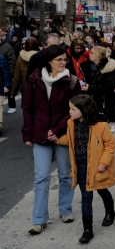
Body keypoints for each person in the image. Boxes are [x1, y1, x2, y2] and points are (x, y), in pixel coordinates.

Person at [22, 45, 82, 234]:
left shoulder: (71, 81)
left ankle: (65, 210)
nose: (63, 63)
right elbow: (28, 107)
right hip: (40, 134)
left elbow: (75, 108)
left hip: (63, 133)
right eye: (59, 60)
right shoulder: (34, 79)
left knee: (65, 174)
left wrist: (57, 130)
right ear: (49, 61)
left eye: (65, 59)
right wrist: (27, 132)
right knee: (41, 177)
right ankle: (39, 219)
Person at [56, 95, 115, 243]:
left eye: (73, 109)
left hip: (97, 167)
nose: (69, 112)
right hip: (81, 168)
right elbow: (70, 140)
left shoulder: (100, 126)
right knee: (86, 197)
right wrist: (56, 139)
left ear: (83, 110)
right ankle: (88, 230)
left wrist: (103, 162)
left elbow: (110, 145)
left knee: (102, 190)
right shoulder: (71, 123)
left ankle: (110, 211)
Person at [79, 46, 115, 127]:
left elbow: (109, 87)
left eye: (92, 53)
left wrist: (90, 87)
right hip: (91, 100)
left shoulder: (108, 68)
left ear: (99, 56)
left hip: (104, 101)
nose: (90, 54)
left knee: (102, 124)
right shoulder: (87, 66)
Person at [10, 37, 38, 104]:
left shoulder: (20, 58)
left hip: (26, 90)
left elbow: (17, 77)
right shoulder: (41, 56)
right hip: (40, 90)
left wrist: (13, 93)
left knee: (27, 110)